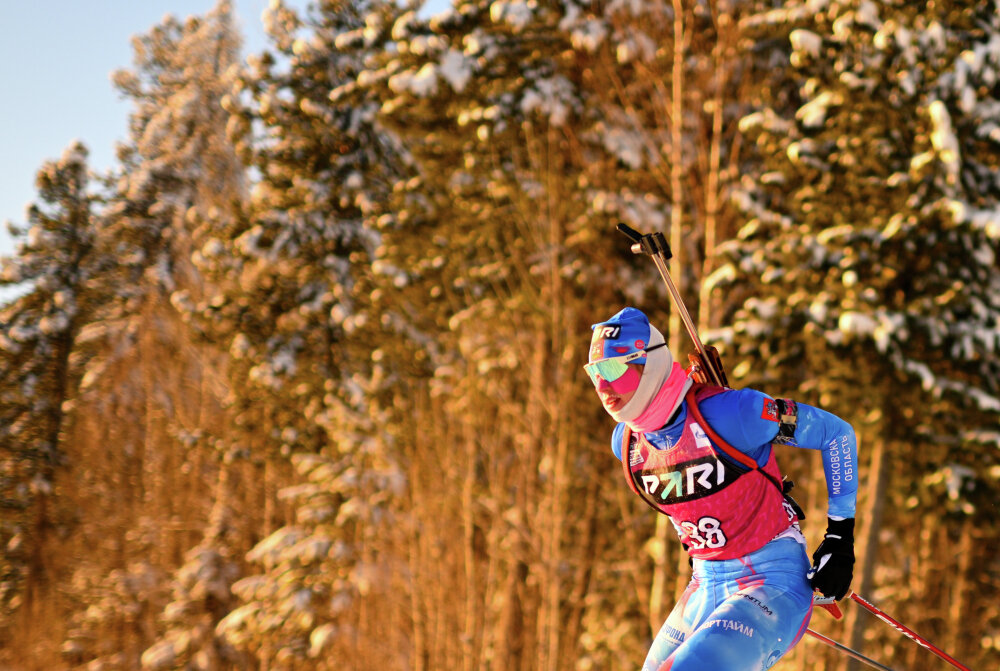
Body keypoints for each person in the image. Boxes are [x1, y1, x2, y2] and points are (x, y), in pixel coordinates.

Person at [586, 307, 858, 671]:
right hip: (706, 584)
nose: (603, 386)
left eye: (614, 369)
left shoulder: (735, 413)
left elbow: (836, 434)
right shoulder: (627, 444)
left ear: (648, 365)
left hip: (772, 579)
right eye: (595, 372)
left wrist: (840, 539)